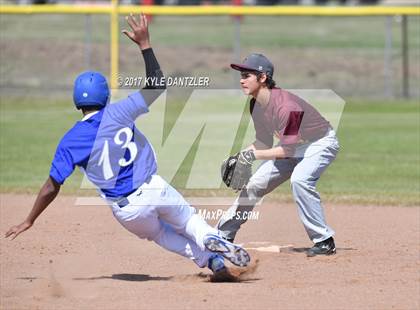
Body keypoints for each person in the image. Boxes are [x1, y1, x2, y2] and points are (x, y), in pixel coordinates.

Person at [5, 13, 250, 277]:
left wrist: (30, 219)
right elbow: (156, 86)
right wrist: (145, 45)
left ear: (77, 102)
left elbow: (51, 186)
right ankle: (210, 237)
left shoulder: (70, 140)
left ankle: (210, 260)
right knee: (188, 220)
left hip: (128, 212)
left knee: (160, 235)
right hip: (152, 187)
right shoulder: (120, 112)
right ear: (106, 96)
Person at [217, 53, 340, 256]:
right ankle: (223, 235)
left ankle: (324, 240)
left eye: (247, 75)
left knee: (300, 180)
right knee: (254, 184)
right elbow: (263, 142)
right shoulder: (256, 104)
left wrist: (252, 157)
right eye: (241, 75)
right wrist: (240, 155)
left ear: (263, 77)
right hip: (292, 146)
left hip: (320, 143)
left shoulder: (287, 107)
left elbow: (287, 151)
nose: (241, 80)